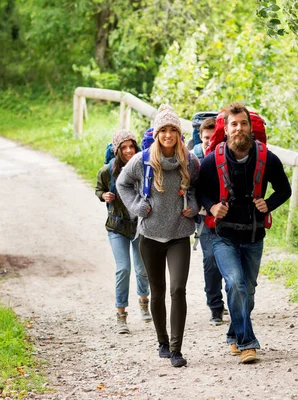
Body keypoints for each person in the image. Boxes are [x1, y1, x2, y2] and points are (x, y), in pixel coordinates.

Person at [196, 102, 291, 364]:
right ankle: (248, 343)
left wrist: (268, 204)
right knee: (236, 283)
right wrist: (212, 206)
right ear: (225, 130)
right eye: (234, 124)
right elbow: (199, 191)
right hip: (223, 236)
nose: (239, 128)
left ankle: (233, 333)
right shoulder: (212, 160)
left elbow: (285, 189)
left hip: (253, 236)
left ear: (250, 128)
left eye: (243, 124)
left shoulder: (267, 159)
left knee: (247, 292)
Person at [117, 104, 200, 368]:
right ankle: (162, 341)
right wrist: (136, 206)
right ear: (156, 133)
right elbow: (122, 183)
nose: (167, 135)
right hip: (150, 236)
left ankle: (176, 349)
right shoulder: (142, 160)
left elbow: (198, 188)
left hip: (179, 234)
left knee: (178, 289)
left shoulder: (190, 160)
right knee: (158, 291)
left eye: (172, 130)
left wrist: (194, 207)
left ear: (178, 133)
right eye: (163, 130)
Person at [95, 129, 153, 335]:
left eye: (131, 146)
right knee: (123, 269)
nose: (129, 150)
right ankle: (121, 316)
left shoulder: (143, 167)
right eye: (124, 147)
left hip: (138, 226)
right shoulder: (107, 170)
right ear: (116, 150)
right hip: (117, 227)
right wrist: (104, 195)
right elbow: (98, 189)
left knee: (142, 268)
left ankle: (144, 301)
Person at [191, 117, 225, 325]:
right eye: (205, 138)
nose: (209, 142)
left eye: (213, 138)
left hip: (228, 216)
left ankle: (229, 300)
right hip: (204, 218)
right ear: (200, 137)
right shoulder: (194, 157)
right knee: (210, 260)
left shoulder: (225, 156)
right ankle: (215, 306)